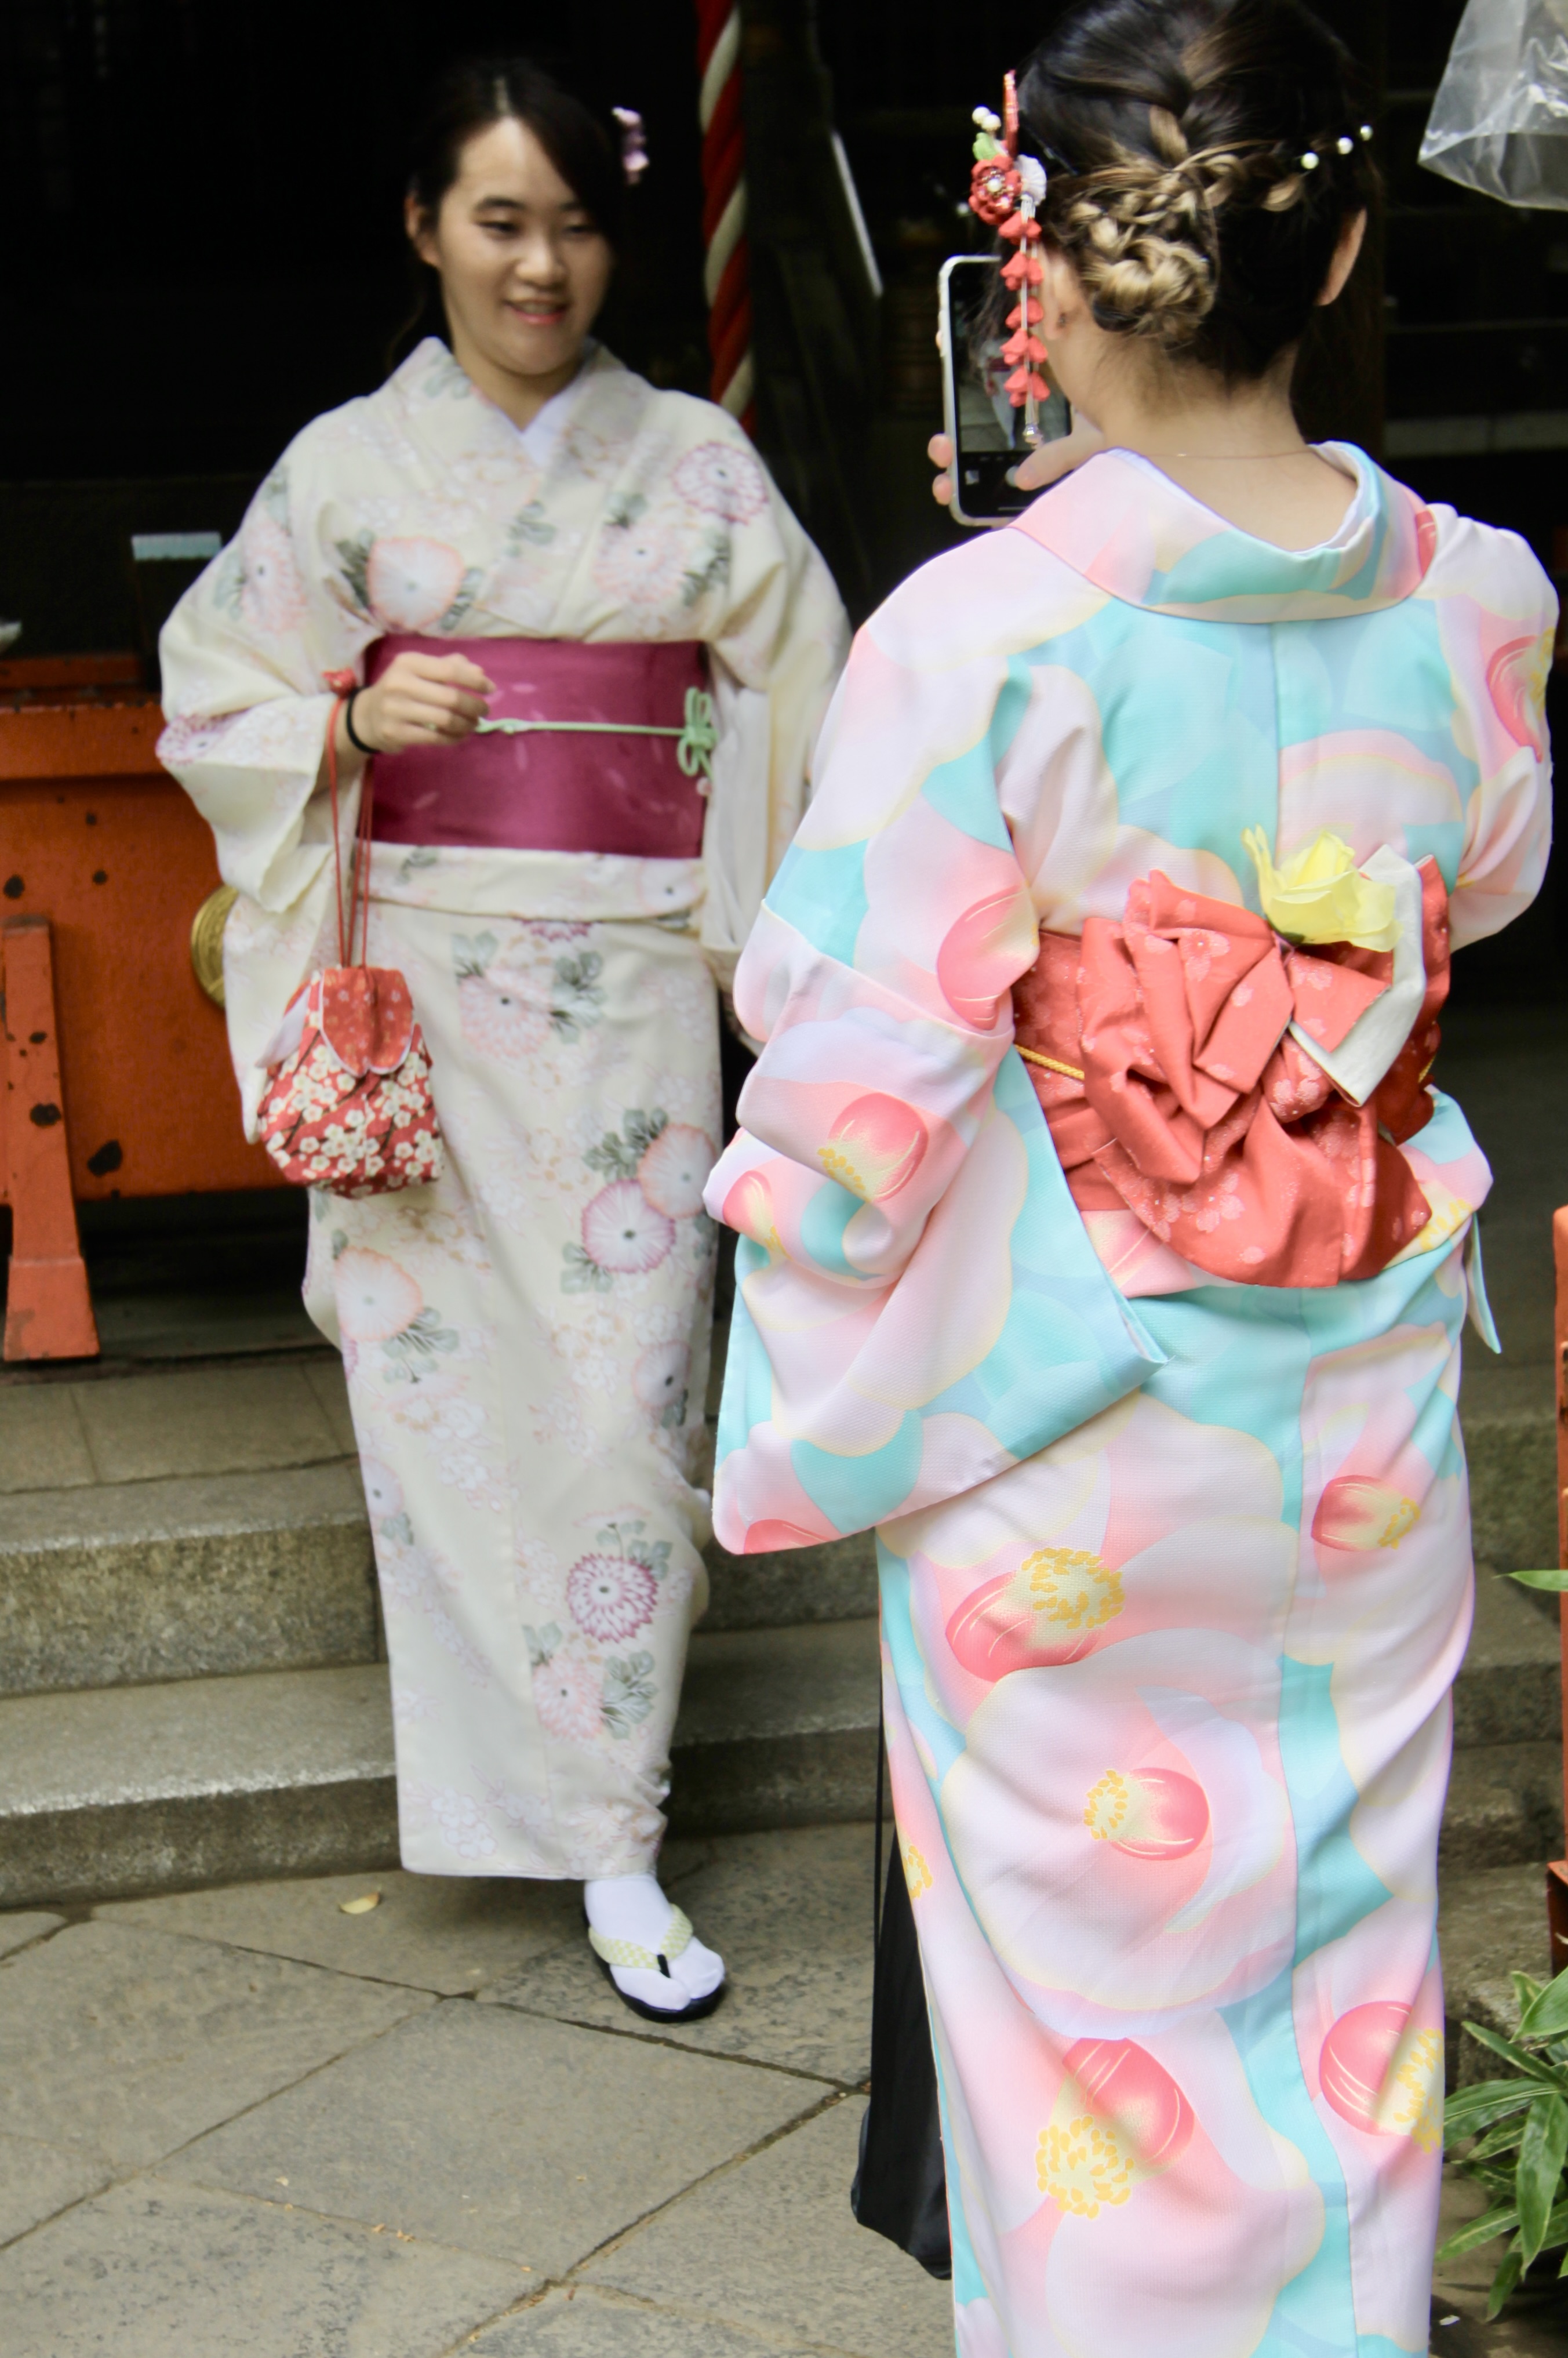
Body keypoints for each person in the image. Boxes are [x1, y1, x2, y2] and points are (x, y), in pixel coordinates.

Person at [705, 0, 1555, 2347]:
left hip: (1070, 1417)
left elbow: (853, 1059)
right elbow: (1482, 881)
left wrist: (815, 1320)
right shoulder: (1480, 593)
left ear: (1044, 281)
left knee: (1077, 2032)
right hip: (1350, 1422)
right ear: (1341, 247)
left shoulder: (979, 628)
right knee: (1343, 1983)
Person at [159, 57, 848, 2022]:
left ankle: (616, 1827)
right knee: (442, 1412)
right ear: (423, 228)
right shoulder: (345, 470)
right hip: (426, 996)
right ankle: (521, 1809)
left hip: (630, 1002)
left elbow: (814, 696)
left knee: (632, 1404)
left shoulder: (695, 464)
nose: (541, 266)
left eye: (574, 226)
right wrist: (340, 723)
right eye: (498, 221)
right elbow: (213, 685)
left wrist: (749, 921)